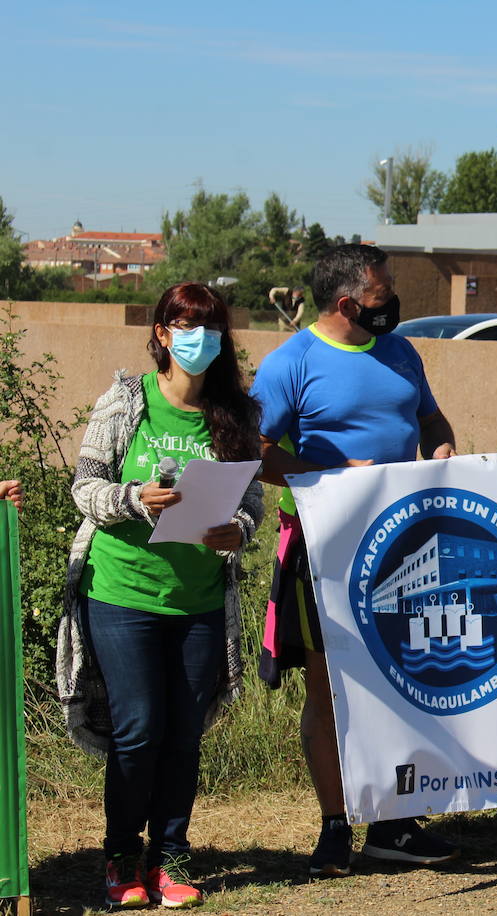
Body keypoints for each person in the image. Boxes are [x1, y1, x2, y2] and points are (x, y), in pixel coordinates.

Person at [252, 244, 459, 877]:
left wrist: (443, 452)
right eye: (381, 293)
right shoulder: (291, 364)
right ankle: (335, 827)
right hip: (326, 554)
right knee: (330, 688)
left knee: (408, 681)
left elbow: (432, 419)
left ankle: (394, 824)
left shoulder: (402, 353)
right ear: (346, 302)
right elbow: (254, 452)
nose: (391, 301)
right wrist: (332, 475)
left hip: (408, 548)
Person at [57, 282, 264, 908]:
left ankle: (170, 858)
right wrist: (131, 498)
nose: (197, 337)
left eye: (210, 326)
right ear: (161, 334)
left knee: (183, 734)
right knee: (140, 729)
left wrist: (240, 530)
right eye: (184, 324)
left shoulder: (237, 415)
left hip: (198, 602)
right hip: (121, 593)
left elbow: (250, 501)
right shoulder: (125, 403)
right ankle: (122, 856)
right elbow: (83, 487)